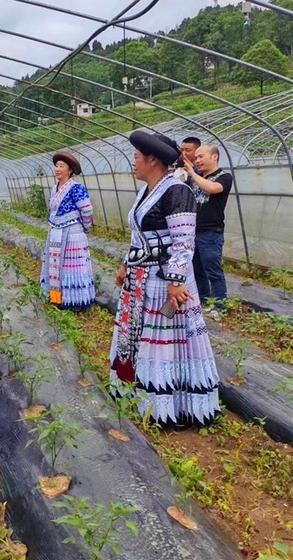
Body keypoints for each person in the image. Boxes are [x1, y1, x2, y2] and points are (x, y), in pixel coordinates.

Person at [110, 131, 220, 428]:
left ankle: (168, 406)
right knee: (138, 335)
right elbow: (138, 235)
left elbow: (184, 241)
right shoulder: (148, 190)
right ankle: (138, 392)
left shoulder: (176, 191)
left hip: (162, 280)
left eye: (136, 158)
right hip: (139, 277)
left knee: (165, 341)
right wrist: (125, 265)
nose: (133, 163)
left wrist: (175, 279)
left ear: (153, 160)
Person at [39, 151, 96, 310]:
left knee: (72, 266)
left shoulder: (77, 188)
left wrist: (85, 227)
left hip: (72, 234)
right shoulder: (54, 188)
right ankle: (57, 297)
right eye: (56, 166)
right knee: (57, 266)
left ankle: (76, 302)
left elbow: (87, 211)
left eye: (61, 166)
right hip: (56, 232)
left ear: (70, 170)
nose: (57, 169)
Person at [183, 144, 233, 306]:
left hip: (211, 232)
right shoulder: (196, 176)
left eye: (201, 156)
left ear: (214, 157)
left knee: (213, 271)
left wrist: (191, 173)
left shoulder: (224, 176)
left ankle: (220, 305)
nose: (197, 160)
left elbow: (212, 188)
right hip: (193, 231)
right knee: (197, 269)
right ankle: (203, 300)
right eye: (196, 157)